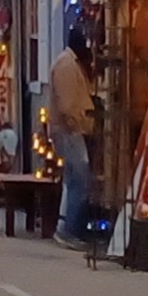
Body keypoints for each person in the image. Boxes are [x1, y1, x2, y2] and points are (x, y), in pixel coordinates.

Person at [48, 28, 96, 250]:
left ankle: (66, 225)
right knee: (80, 176)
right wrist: (78, 124)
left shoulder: (70, 62)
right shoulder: (67, 65)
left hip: (71, 130)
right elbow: (68, 105)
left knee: (73, 178)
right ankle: (70, 230)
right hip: (69, 131)